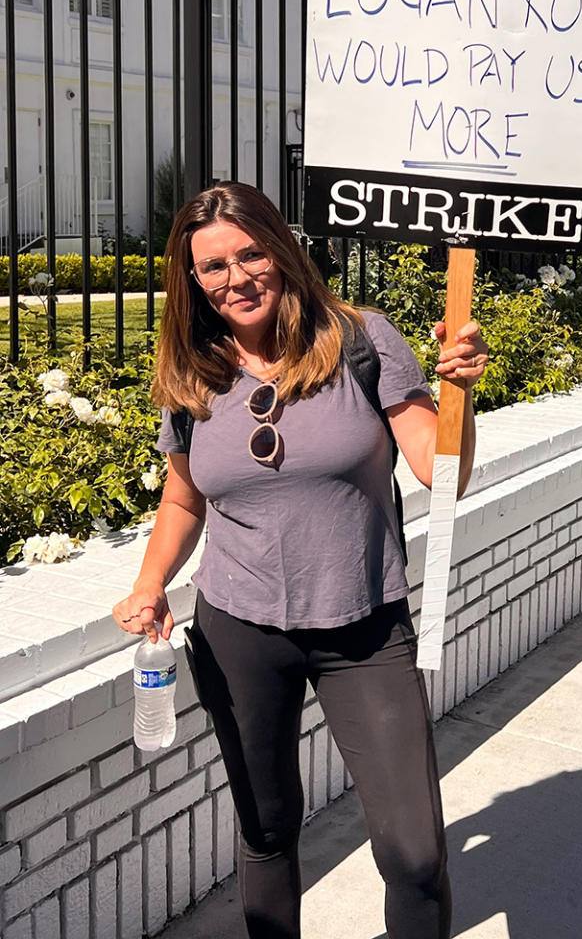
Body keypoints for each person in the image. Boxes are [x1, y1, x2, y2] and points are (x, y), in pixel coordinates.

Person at [112, 182, 488, 939]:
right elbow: (184, 501)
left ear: (282, 252)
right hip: (238, 633)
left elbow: (436, 471)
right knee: (268, 834)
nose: (235, 278)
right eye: (212, 266)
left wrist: (459, 397)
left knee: (414, 854)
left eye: (251, 254)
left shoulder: (361, 339)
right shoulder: (193, 371)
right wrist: (149, 584)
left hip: (365, 628)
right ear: (192, 279)